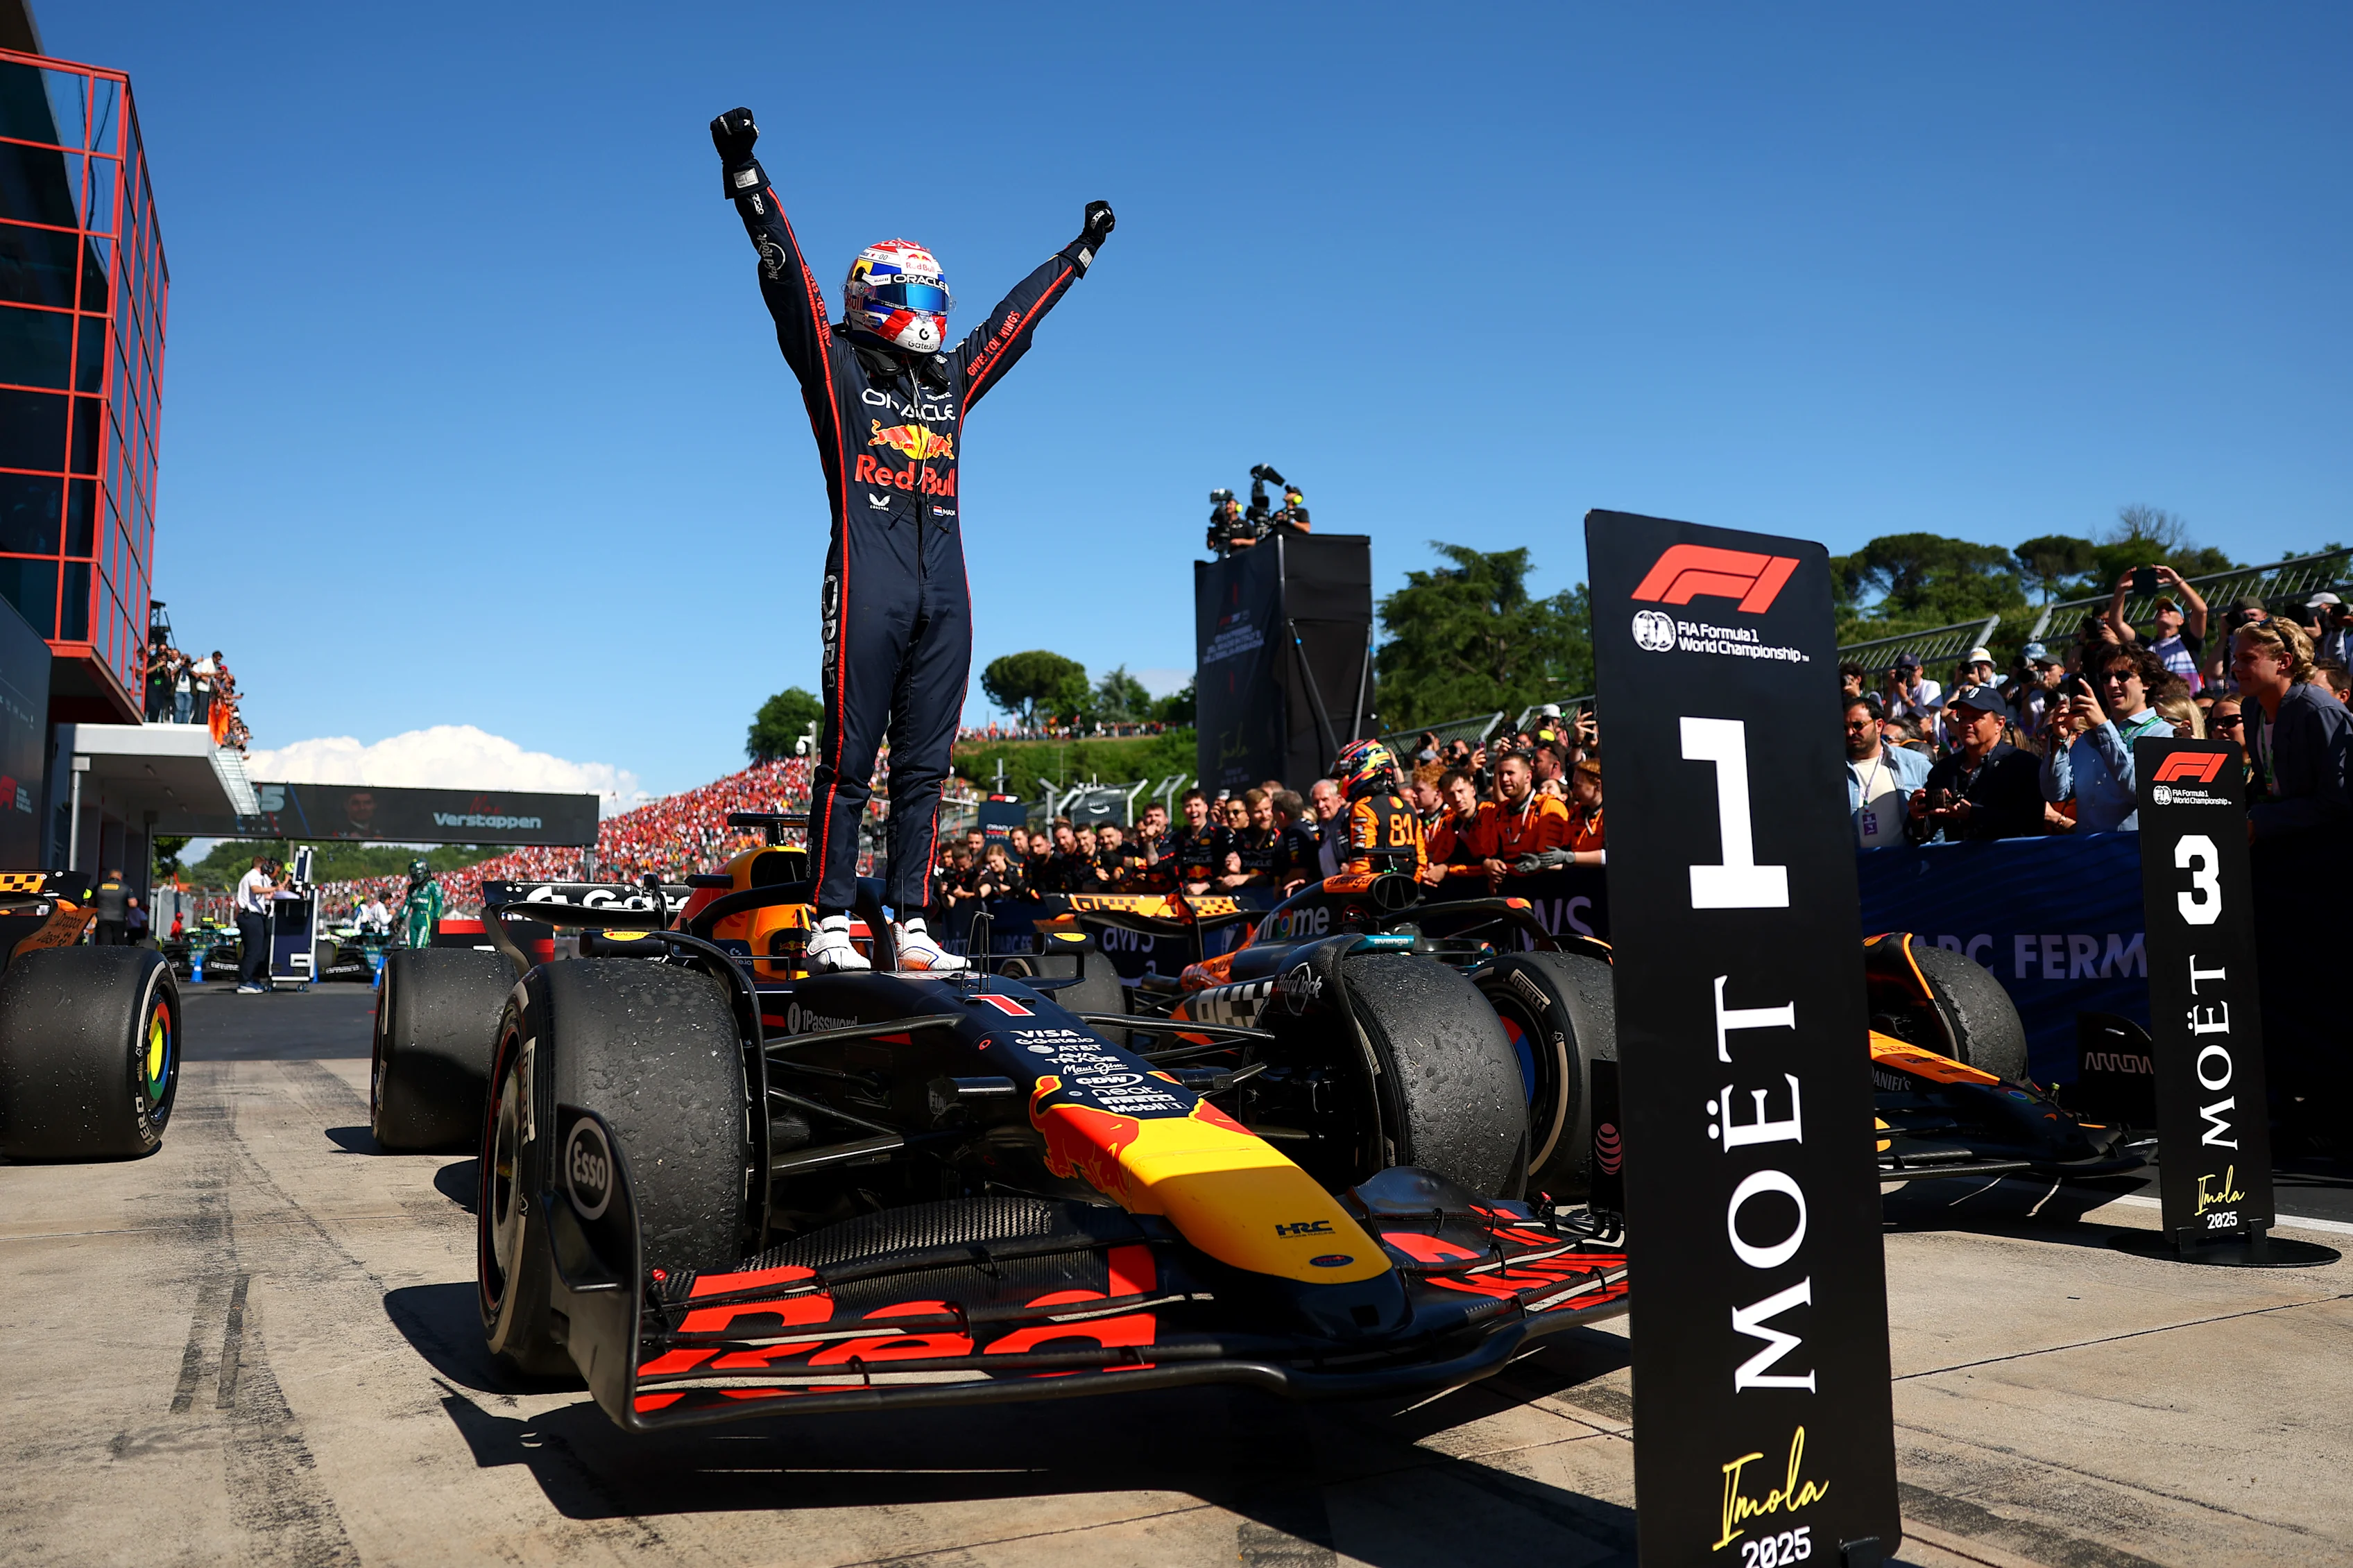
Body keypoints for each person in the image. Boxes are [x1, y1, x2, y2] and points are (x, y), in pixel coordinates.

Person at [710, 105, 1113, 974]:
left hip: (947, 594)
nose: (932, 314)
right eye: (919, 298)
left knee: (926, 771)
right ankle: (827, 921)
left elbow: (1013, 321)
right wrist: (748, 180)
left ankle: (912, 922)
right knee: (850, 761)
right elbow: (792, 285)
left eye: (939, 299)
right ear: (878, 304)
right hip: (866, 582)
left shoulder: (948, 384)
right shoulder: (839, 369)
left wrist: (1074, 258)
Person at [2234, 621, 2353, 842]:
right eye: (2236, 658)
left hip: (2325, 849)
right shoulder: (2251, 707)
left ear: (2283, 662)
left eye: (2248, 659)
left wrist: (2261, 820)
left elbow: (2336, 801)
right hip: (2278, 840)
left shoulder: (2319, 712)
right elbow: (2265, 782)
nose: (2235, 668)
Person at [2042, 643, 2171, 833]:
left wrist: (2103, 727)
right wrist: (2059, 741)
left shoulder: (2164, 734)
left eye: (2123, 676)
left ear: (2147, 683)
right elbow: (2055, 792)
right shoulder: (2088, 738)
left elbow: (2137, 790)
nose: (2112, 684)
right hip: (2091, 854)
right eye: (2106, 677)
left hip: (2134, 856)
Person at [1905, 686, 2043, 843]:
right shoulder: (1945, 769)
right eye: (1963, 718)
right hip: (1959, 865)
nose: (1966, 724)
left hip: (2009, 863)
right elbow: (1920, 836)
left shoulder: (2023, 765)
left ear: (2000, 724)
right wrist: (1918, 817)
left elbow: (2031, 824)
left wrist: (1974, 814)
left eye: (1975, 718)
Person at [1328, 740, 1425, 877]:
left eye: (1347, 771)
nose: (1343, 778)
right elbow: (1421, 859)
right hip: (1409, 888)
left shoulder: (1364, 807)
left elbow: (1361, 863)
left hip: (1376, 890)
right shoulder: (1407, 806)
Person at [2107, 565, 2209, 693]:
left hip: (2187, 704)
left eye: (2170, 609)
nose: (2164, 611)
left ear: (2181, 621)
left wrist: (2175, 580)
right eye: (2160, 610)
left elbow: (2201, 611)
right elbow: (2116, 624)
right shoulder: (2146, 646)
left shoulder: (2188, 642)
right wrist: (2121, 589)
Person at [1845, 696, 1928, 850]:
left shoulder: (1915, 763)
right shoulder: (1833, 769)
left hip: (1905, 865)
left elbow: (1937, 823)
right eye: (1845, 727)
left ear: (1879, 725)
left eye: (1858, 725)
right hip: (1856, 867)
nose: (1850, 732)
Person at [233, 853, 284, 993]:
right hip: (250, 916)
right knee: (253, 950)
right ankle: (245, 981)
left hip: (254, 916)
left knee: (257, 950)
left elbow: (263, 895)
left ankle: (249, 979)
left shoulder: (259, 877)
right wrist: (275, 889)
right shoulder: (253, 876)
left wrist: (276, 890)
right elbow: (255, 889)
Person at [400, 859, 443, 951]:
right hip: (414, 918)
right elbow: (407, 904)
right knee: (412, 946)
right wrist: (400, 918)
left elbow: (438, 904)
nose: (415, 878)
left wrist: (436, 919)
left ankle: (421, 965)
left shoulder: (433, 885)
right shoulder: (412, 887)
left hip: (426, 918)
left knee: (421, 946)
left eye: (416, 875)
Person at [92, 867, 129, 947]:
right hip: (119, 918)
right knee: (118, 942)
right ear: (120, 877)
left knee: (104, 941)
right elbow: (133, 903)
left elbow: (91, 902)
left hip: (102, 918)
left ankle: (104, 957)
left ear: (109, 877)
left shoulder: (99, 887)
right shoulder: (125, 888)